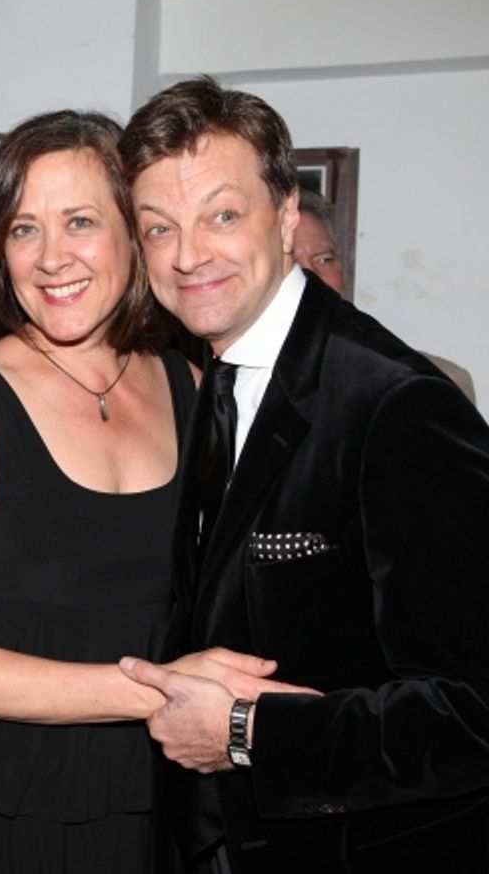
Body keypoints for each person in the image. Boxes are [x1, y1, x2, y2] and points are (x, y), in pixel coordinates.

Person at [0, 110, 295, 873]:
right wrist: (165, 695)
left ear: (134, 234)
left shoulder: (192, 387)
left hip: (145, 797)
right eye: (24, 228)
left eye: (81, 222)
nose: (51, 258)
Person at [118, 76, 489, 872]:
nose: (188, 255)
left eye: (222, 214)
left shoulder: (395, 405)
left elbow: (475, 713)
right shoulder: (210, 379)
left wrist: (249, 734)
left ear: (286, 218)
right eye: (158, 228)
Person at [294, 188, 475, 402]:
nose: (312, 278)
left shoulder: (434, 383)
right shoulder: (248, 388)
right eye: (290, 265)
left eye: (324, 260)